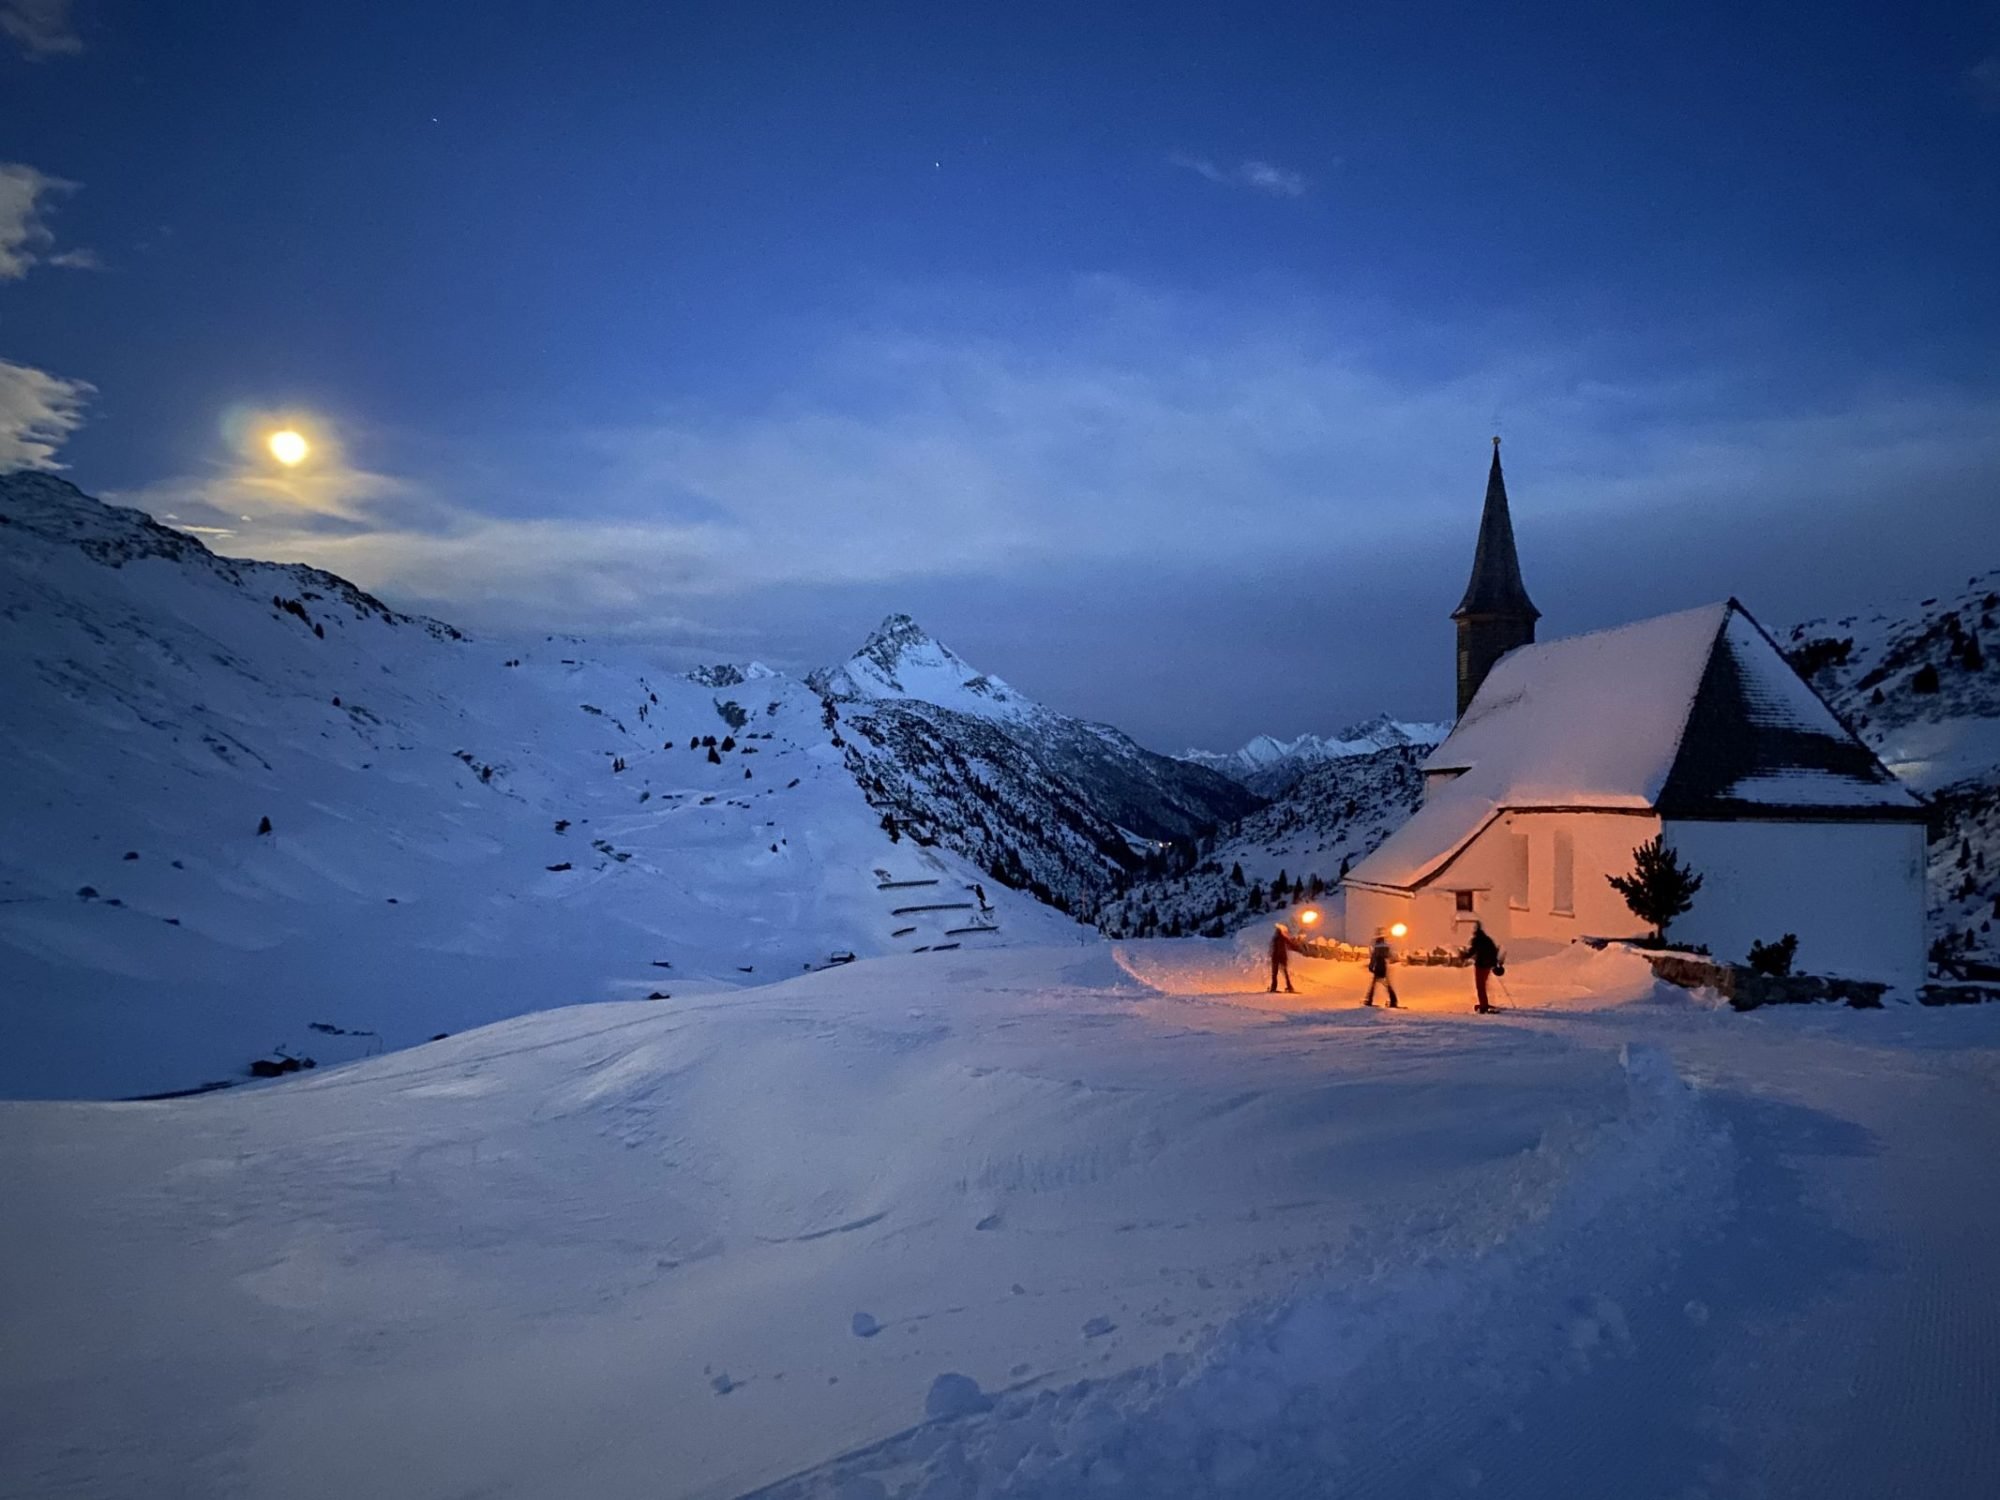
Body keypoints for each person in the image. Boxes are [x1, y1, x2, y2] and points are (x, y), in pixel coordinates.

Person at [1467, 920, 1500, 1013]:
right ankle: (1484, 1003)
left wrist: (1463, 956)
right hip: (1488, 966)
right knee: (1483, 985)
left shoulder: (1477, 940)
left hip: (1480, 966)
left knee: (1480, 986)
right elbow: (1494, 951)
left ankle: (1483, 1005)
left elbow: (1471, 952)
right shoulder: (1488, 939)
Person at [1365, 928, 1399, 1008]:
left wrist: (1371, 966)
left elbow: (1374, 957)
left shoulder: (1376, 947)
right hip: (1384, 966)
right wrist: (1393, 959)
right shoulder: (1386, 946)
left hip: (1378, 966)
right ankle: (1393, 1000)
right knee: (1387, 984)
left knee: (1373, 985)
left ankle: (1369, 1000)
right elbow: (1390, 956)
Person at [1268, 922, 1299, 994]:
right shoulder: (1283, 938)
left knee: (1274, 974)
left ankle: (1273, 988)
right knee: (1285, 973)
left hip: (1275, 958)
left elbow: (1272, 948)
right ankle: (1289, 987)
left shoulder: (1275, 938)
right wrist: (1296, 943)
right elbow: (1292, 946)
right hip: (1282, 957)